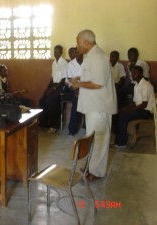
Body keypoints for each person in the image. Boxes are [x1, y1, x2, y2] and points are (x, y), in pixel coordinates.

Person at [71, 29, 117, 182]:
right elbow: (93, 77)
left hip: (99, 107)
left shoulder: (98, 57)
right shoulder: (91, 56)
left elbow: (98, 84)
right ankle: (92, 166)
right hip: (93, 106)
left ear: (87, 42)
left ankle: (97, 172)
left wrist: (79, 84)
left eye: (78, 42)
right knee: (92, 138)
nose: (77, 45)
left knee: (99, 140)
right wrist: (81, 78)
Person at [114, 66, 155, 148]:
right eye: (132, 73)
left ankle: (122, 143)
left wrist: (129, 110)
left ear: (141, 74)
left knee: (123, 116)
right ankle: (118, 139)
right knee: (117, 113)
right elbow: (135, 102)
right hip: (140, 109)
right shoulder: (136, 85)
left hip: (146, 111)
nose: (132, 75)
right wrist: (123, 109)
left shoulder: (146, 85)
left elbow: (144, 104)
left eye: (134, 73)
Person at [39, 45, 68, 134]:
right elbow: (52, 78)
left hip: (62, 86)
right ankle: (44, 123)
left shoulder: (64, 63)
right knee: (42, 100)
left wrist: (54, 89)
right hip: (54, 85)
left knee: (51, 100)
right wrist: (47, 89)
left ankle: (54, 125)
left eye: (58, 51)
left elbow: (63, 79)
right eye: (55, 51)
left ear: (61, 52)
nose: (56, 53)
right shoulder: (54, 62)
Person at [66, 48, 83, 135]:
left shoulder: (87, 63)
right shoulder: (70, 64)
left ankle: (88, 126)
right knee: (76, 105)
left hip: (85, 87)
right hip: (73, 87)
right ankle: (72, 129)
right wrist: (77, 89)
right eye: (76, 53)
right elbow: (69, 79)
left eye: (79, 52)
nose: (77, 54)